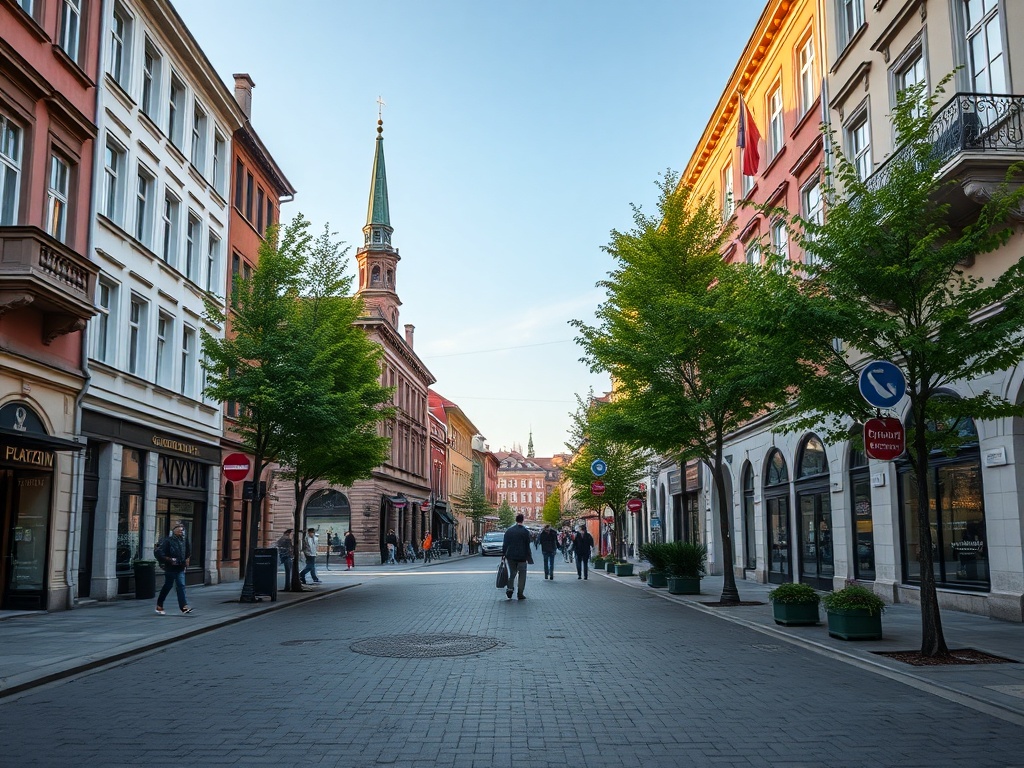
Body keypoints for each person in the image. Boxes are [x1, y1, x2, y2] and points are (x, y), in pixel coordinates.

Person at [154, 521, 192, 615]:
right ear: (174, 530)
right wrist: (169, 559)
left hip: (180, 567)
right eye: (179, 527)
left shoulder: (184, 540)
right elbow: (159, 553)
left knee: (181, 586)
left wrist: (187, 559)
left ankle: (184, 607)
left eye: (182, 528)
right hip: (170, 567)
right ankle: (159, 605)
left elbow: (187, 551)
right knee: (168, 586)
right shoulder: (167, 541)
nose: (181, 529)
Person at [501, 513, 534, 600]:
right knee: (522, 575)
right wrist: (529, 556)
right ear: (523, 520)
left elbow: (505, 544)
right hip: (522, 557)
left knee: (512, 573)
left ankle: (510, 588)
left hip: (511, 556)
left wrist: (503, 554)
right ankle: (520, 593)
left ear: (516, 520)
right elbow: (527, 545)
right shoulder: (525, 532)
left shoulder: (509, 531)